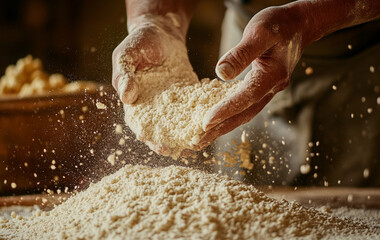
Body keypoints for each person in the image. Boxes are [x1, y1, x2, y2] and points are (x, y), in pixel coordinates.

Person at [112, 0, 380, 186]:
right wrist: (156, 19)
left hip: (359, 53)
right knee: (245, 198)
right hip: (251, 41)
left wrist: (308, 17)